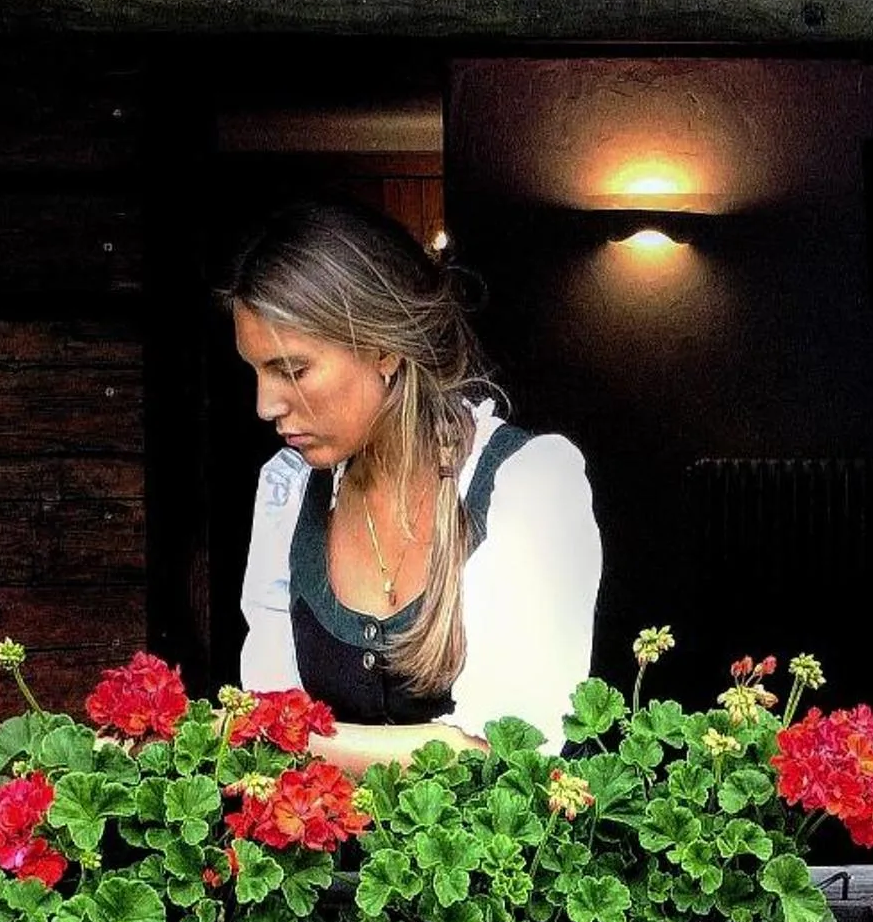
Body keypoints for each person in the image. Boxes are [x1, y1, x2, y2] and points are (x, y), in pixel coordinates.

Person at [229, 200, 601, 770]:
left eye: (293, 370)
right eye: (256, 371)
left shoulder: (530, 483)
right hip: (318, 858)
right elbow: (272, 715)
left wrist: (246, 734)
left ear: (383, 349)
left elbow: (504, 753)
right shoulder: (286, 490)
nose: (265, 405)